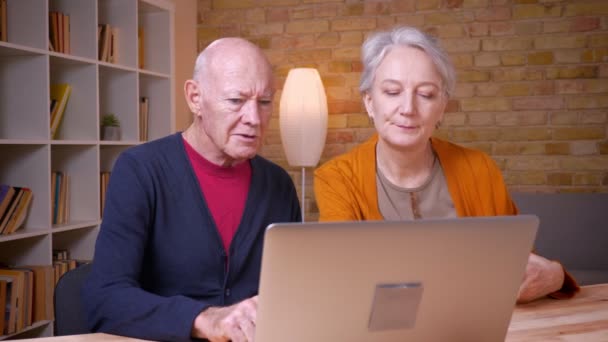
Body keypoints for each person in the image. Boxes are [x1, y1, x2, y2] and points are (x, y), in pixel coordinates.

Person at [314, 26, 579, 303]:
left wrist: (555, 275)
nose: (408, 108)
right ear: (369, 102)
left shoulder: (480, 170)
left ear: (442, 106)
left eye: (426, 94)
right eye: (392, 91)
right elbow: (340, 283)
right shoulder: (337, 179)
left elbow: (524, 271)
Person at [83, 38, 301, 342]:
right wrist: (206, 320)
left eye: (264, 102)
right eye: (236, 101)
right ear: (195, 97)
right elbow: (105, 300)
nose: (254, 118)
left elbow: (295, 294)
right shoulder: (140, 170)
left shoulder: (279, 184)